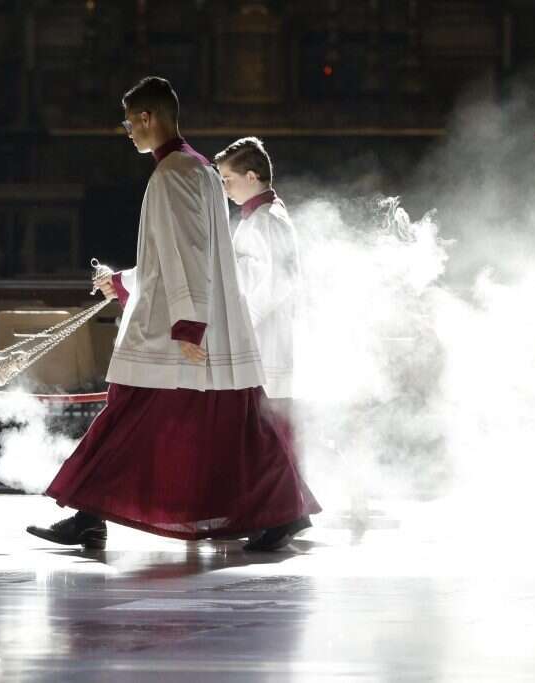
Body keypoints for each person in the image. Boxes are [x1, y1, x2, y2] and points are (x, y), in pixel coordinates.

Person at [26, 77, 318, 552]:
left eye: (129, 122)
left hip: (176, 332)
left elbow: (189, 254)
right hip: (210, 326)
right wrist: (125, 282)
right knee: (231, 423)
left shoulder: (174, 174)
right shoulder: (198, 169)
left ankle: (90, 516)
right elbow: (182, 256)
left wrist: (188, 324)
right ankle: (278, 511)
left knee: (132, 418)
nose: (127, 132)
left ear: (148, 118)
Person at [214, 137, 299, 402]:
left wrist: (241, 324)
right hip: (256, 340)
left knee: (267, 425)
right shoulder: (256, 217)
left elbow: (278, 280)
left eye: (227, 178)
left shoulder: (269, 219)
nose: (223, 187)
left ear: (251, 176)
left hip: (265, 341)